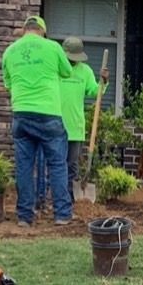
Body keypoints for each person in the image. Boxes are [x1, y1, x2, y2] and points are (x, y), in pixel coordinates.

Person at [0, 14, 74, 225]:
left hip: (22, 114)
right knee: (57, 164)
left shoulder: (9, 52)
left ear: (25, 30)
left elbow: (8, 84)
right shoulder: (52, 47)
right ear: (42, 31)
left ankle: (24, 216)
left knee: (24, 166)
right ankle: (61, 215)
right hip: (49, 114)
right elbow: (67, 72)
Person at [57, 37, 108, 201]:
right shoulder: (56, 68)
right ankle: (56, 197)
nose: (73, 60)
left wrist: (103, 81)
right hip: (55, 125)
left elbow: (95, 91)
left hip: (75, 126)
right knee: (57, 164)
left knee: (72, 165)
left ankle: (70, 198)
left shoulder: (85, 71)